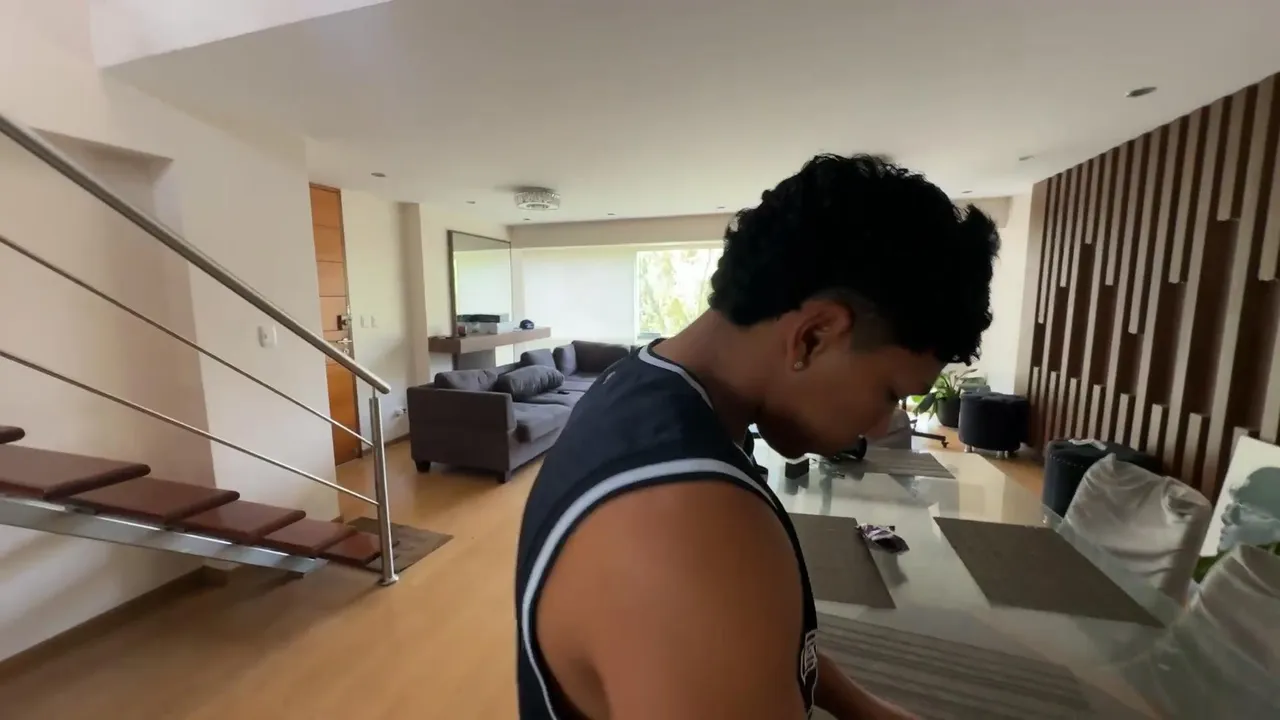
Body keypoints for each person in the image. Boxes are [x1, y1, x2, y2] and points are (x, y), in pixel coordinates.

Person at [515, 154, 999, 719]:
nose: (877, 427)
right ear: (813, 336)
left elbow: (759, 647)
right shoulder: (692, 524)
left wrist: (867, 710)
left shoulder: (639, 382)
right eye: (890, 393)